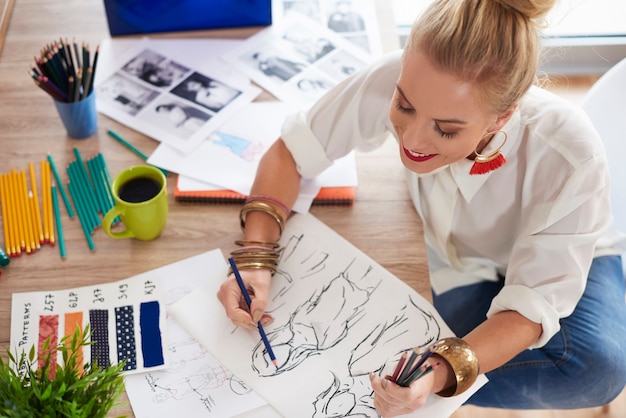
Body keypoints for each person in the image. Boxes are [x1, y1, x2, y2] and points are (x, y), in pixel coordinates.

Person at [217, 0, 626, 415]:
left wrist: (442, 372)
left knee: (602, 370)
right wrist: (255, 256)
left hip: (573, 261)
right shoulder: (398, 73)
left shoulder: (572, 154)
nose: (411, 141)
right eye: (404, 106)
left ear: (501, 119)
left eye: (445, 130)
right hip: (453, 267)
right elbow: (291, 152)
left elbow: (531, 305)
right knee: (368, 349)